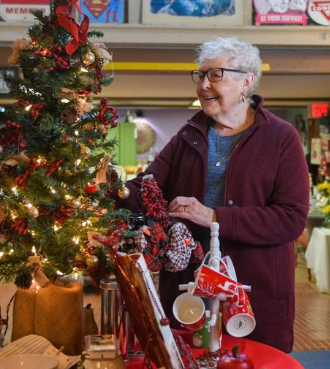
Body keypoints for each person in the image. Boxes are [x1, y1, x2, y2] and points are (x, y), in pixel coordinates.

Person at [113, 37, 309, 353]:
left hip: (251, 290)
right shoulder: (189, 135)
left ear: (246, 81)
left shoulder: (281, 137)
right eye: (201, 76)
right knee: (188, 363)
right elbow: (147, 187)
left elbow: (291, 218)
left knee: (252, 367)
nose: (204, 84)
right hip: (190, 288)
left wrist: (212, 216)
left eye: (214, 75)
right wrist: (109, 186)